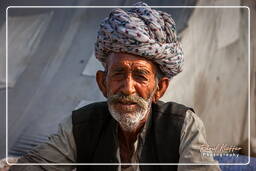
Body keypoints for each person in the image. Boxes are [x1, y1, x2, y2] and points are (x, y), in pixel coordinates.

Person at [7, 2, 220, 171]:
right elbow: (37, 165)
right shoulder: (81, 125)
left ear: (160, 89)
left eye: (140, 76)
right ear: (103, 83)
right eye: (118, 74)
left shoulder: (182, 126)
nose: (128, 88)